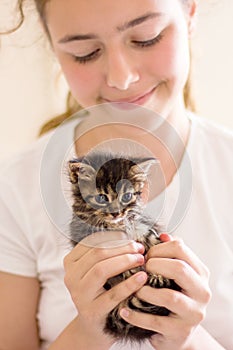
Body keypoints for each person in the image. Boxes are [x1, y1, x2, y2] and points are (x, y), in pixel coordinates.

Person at [0, 0, 232, 349]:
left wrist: (188, 339)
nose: (121, 78)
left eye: (146, 38)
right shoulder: (14, 190)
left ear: (190, 14)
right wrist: (88, 329)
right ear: (54, 50)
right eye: (85, 52)